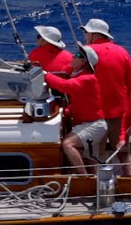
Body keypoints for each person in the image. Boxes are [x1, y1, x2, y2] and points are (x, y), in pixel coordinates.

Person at [81, 18, 131, 171]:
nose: (84, 35)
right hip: (120, 111)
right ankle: (130, 181)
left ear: (93, 34)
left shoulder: (87, 51)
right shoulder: (122, 52)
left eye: (86, 32)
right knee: (123, 152)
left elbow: (75, 76)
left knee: (93, 155)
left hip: (96, 113)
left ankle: (94, 183)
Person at [45, 44, 107, 174]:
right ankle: (90, 180)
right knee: (90, 160)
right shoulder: (82, 77)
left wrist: (45, 75)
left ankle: (83, 179)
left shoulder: (87, 79)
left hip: (93, 125)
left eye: (78, 55)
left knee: (68, 144)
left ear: (84, 62)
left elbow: (65, 86)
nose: (73, 56)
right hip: (91, 124)